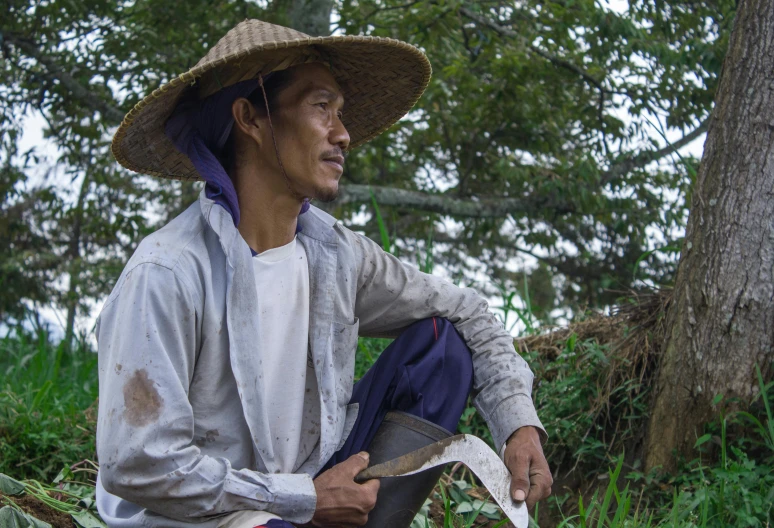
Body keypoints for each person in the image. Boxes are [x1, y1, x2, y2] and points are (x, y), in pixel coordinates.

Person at [96, 18, 552, 528]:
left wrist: (518, 425)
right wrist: (303, 499)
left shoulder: (336, 255)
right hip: (213, 519)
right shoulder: (168, 272)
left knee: (441, 346)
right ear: (250, 117)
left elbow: (467, 310)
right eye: (320, 107)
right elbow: (137, 464)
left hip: (311, 494)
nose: (343, 133)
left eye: (340, 112)